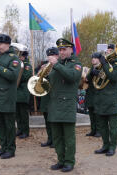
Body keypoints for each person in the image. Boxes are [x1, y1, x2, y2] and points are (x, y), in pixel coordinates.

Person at [48, 38, 82, 172]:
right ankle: (61, 160)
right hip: (54, 104)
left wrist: (56, 64)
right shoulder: (57, 65)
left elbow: (72, 76)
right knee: (56, 137)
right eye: (60, 49)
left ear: (70, 50)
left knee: (68, 137)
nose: (61, 52)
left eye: (64, 49)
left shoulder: (76, 64)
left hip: (67, 104)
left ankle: (69, 161)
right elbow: (52, 81)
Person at [0, 34, 21, 159]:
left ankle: (10, 149)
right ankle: (3, 147)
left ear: (8, 44)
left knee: (9, 124)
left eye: (1, 44)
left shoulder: (14, 58)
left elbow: (13, 76)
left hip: (7, 96)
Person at [93, 44, 117, 156]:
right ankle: (105, 145)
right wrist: (93, 73)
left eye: (111, 51)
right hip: (100, 100)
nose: (108, 53)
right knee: (102, 126)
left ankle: (112, 146)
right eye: (107, 51)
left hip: (111, 100)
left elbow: (114, 77)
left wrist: (104, 63)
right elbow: (95, 81)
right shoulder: (102, 65)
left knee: (113, 127)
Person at [40, 47, 59, 148]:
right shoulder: (46, 66)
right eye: (48, 56)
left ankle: (56, 141)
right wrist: (42, 71)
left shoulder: (58, 66)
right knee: (47, 120)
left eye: (51, 55)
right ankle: (50, 139)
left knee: (53, 121)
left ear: (57, 56)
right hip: (45, 97)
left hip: (54, 97)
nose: (49, 58)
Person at [15, 51, 33, 139]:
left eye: (20, 56)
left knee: (23, 114)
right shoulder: (19, 65)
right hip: (17, 92)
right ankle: (20, 129)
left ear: (24, 57)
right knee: (17, 113)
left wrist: (15, 76)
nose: (19, 57)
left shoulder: (27, 66)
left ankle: (26, 131)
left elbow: (26, 76)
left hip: (23, 92)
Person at [85, 52, 101, 137]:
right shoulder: (91, 69)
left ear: (99, 59)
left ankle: (99, 131)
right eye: (92, 58)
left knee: (97, 113)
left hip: (98, 94)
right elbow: (86, 80)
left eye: (95, 58)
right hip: (90, 94)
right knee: (91, 113)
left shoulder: (102, 68)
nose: (93, 59)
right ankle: (93, 130)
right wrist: (91, 74)